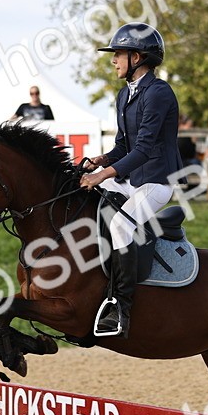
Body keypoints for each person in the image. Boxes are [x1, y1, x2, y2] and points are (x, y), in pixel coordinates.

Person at [80, 22, 181, 338]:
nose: (113, 60)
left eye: (118, 54)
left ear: (137, 57)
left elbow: (143, 149)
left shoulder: (159, 92)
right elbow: (124, 146)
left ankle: (120, 307)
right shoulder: (124, 94)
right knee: (85, 195)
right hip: (132, 178)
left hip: (156, 181)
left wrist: (103, 175)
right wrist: (103, 160)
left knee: (122, 225)